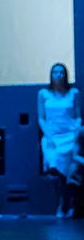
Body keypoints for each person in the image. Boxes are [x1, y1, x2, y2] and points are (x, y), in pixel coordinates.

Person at [38, 62, 81, 217]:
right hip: (52, 138)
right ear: (51, 75)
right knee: (55, 166)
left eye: (62, 72)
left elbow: (77, 116)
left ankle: (68, 204)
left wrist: (76, 134)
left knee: (69, 172)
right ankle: (63, 202)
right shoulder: (43, 94)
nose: (59, 75)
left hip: (70, 136)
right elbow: (41, 118)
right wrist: (49, 136)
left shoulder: (74, 93)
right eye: (55, 72)